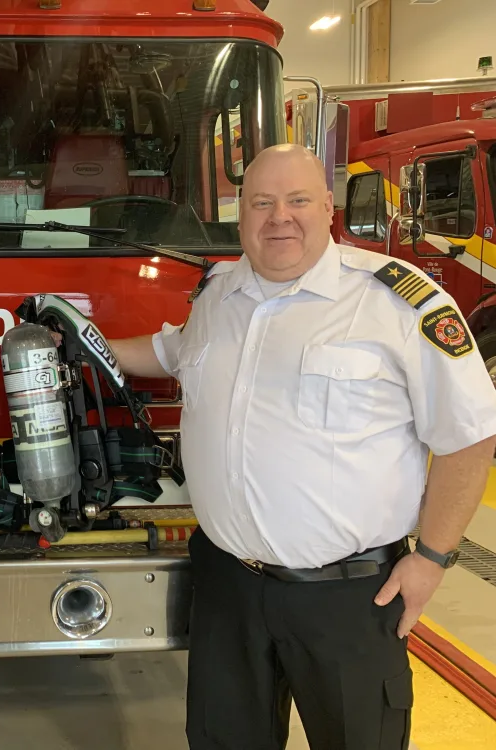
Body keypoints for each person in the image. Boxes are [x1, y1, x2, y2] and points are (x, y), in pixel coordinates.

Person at [108, 143, 496, 749]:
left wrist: (434, 557)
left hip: (347, 597)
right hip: (228, 588)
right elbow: (170, 352)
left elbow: (471, 436)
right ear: (241, 216)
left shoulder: (396, 302)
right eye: (261, 203)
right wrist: (76, 338)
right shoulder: (219, 294)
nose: (278, 217)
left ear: (328, 208)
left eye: (296, 201)